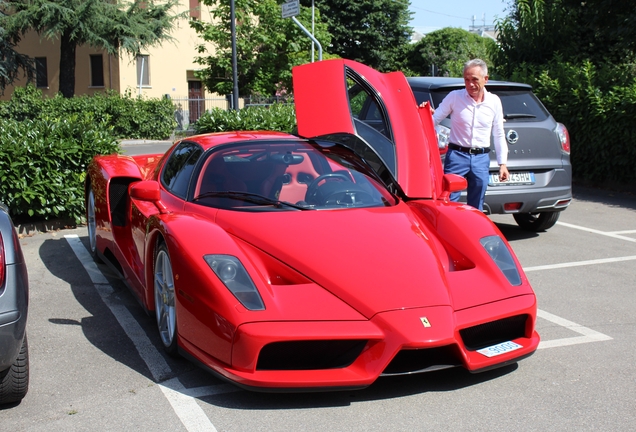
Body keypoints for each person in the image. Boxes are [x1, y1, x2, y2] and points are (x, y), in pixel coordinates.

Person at [429, 59, 509, 211]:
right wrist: (423, 113)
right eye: (466, 79)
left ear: (486, 79)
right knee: (448, 201)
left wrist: (502, 164)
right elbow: (433, 120)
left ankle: (472, 233)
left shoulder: (494, 102)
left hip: (481, 159)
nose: (470, 84)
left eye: (474, 80)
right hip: (457, 156)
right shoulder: (454, 97)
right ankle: (448, 233)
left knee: (476, 205)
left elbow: (498, 133)